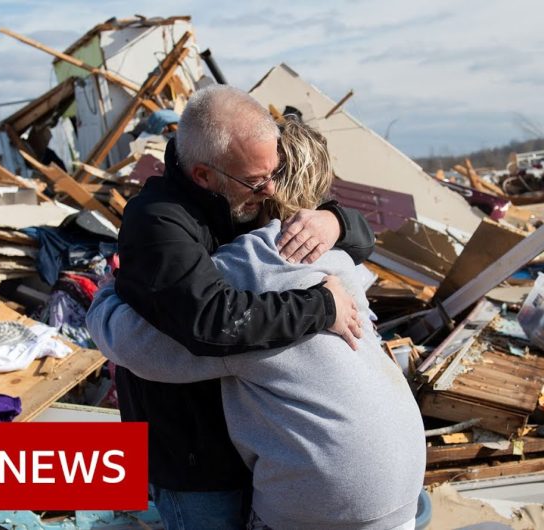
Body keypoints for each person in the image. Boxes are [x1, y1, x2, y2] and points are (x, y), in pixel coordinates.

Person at [88, 118, 425, 530]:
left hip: (327, 495)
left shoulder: (251, 267)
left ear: (267, 184)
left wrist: (107, 294)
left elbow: (142, 347)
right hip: (402, 479)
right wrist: (335, 221)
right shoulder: (337, 259)